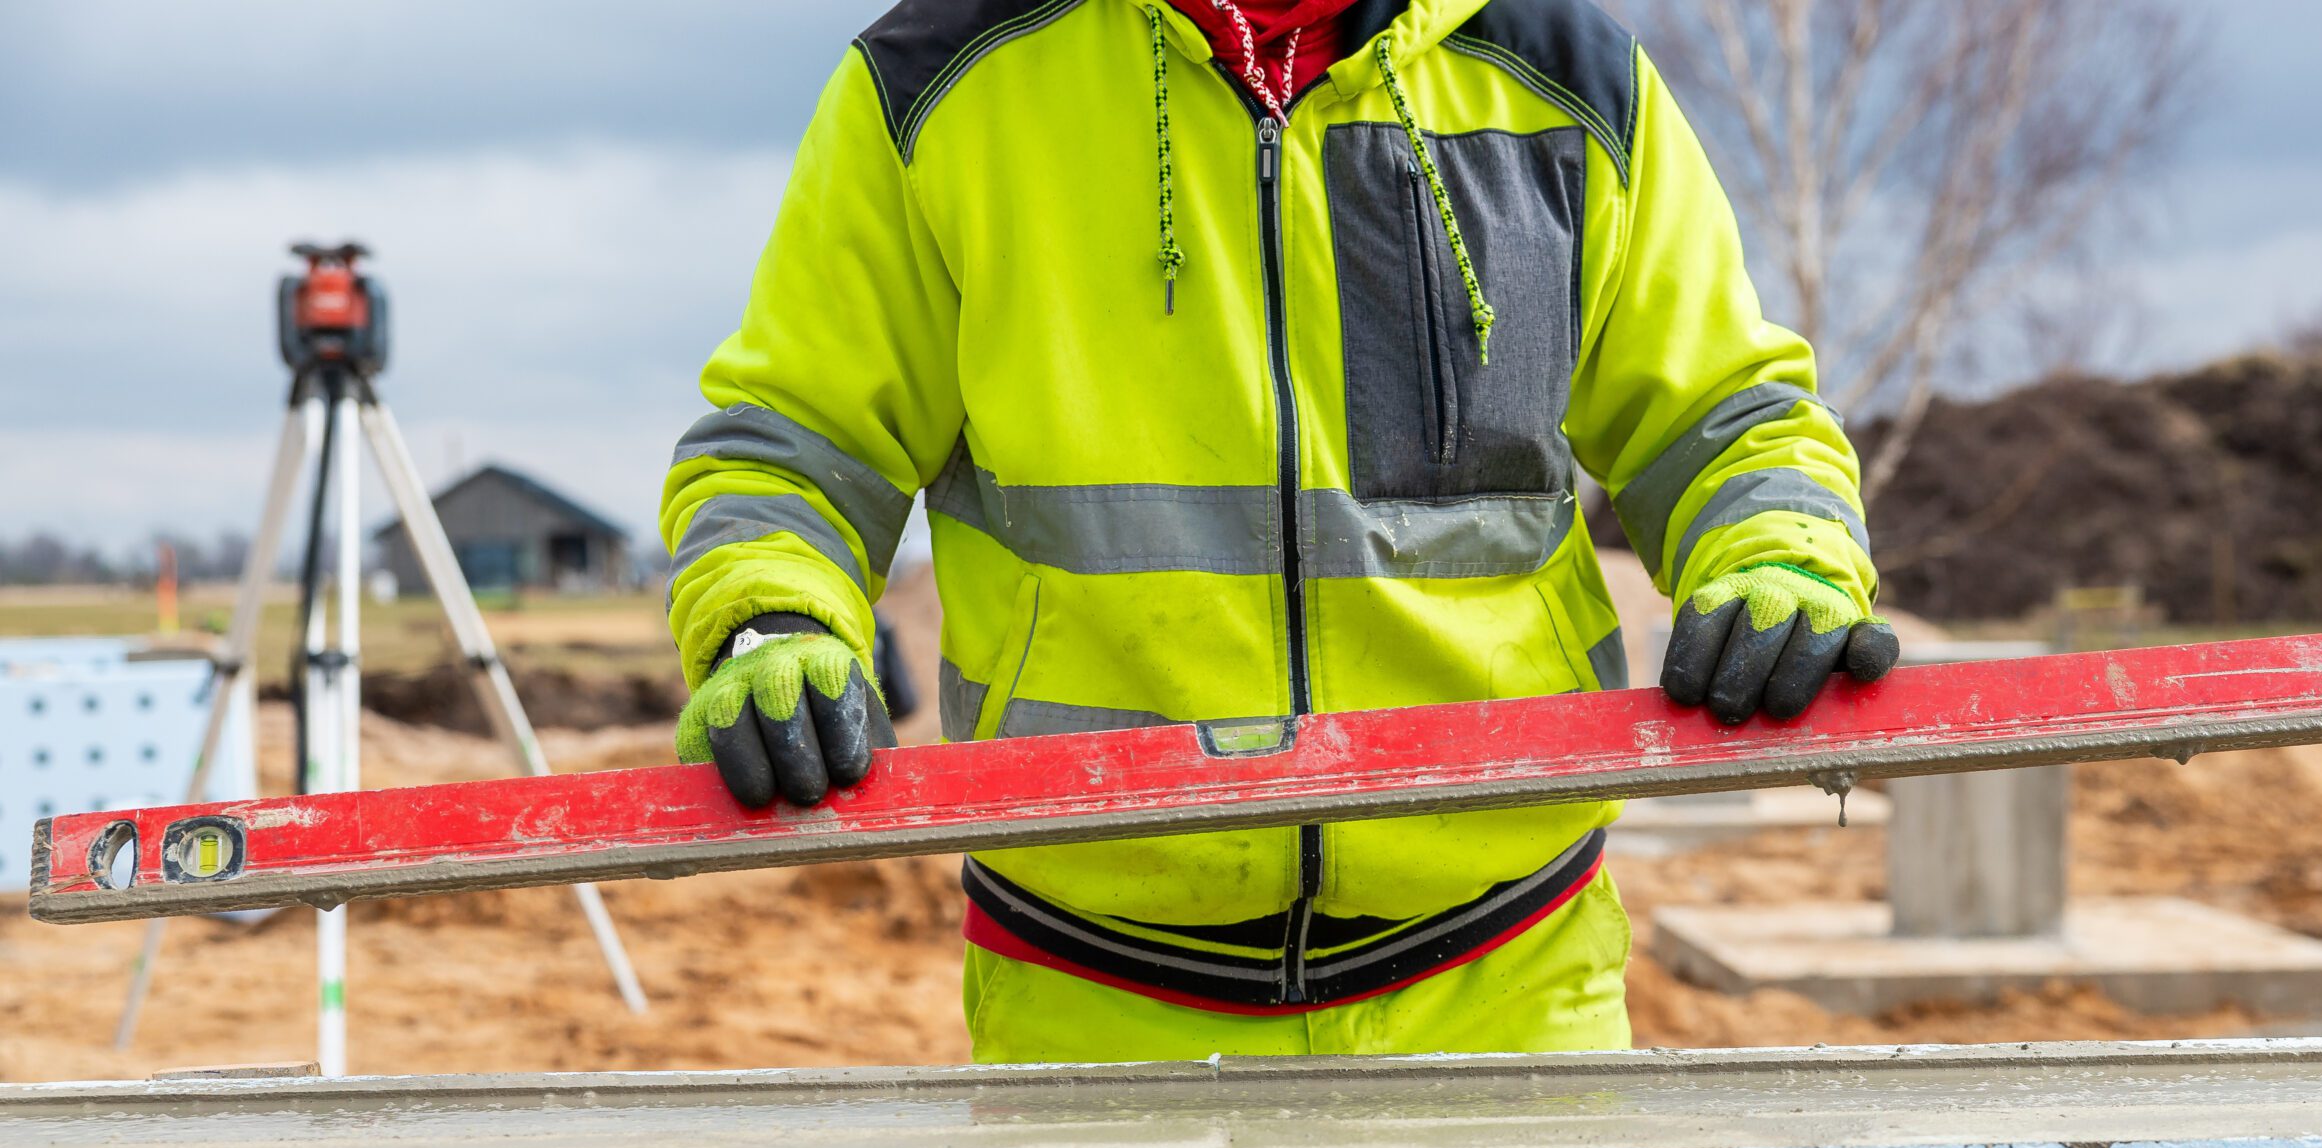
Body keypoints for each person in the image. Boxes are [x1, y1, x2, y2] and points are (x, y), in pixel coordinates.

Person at [661, 0, 1896, 1065]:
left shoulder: (1560, 70)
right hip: (1094, 997)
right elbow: (799, 442)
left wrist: (1779, 548)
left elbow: (1727, 415)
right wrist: (770, 614)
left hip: (1504, 977)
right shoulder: (945, 82)